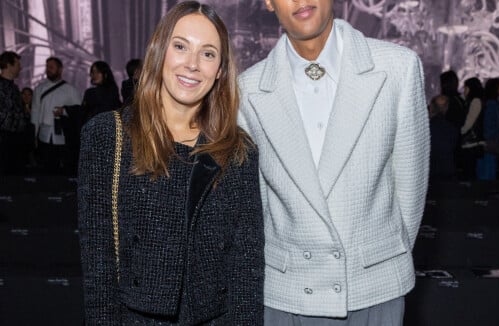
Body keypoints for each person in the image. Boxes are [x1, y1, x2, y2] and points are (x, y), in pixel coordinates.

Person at [238, 0, 429, 324]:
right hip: (289, 294)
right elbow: (255, 205)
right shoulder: (246, 89)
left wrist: (377, 262)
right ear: (269, 3)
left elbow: (411, 188)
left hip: (372, 292)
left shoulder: (398, 68)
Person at [77, 1, 264, 324]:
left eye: (208, 54)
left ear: (219, 70)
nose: (192, 64)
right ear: (160, 52)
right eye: (180, 47)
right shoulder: (108, 135)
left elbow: (245, 268)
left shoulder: (238, 151)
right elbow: (99, 267)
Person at [30, 56, 82, 175]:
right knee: (46, 167)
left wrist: (64, 111)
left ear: (60, 69)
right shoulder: (39, 89)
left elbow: (79, 111)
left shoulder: (71, 90)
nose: (48, 69)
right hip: (44, 134)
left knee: (64, 167)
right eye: (47, 67)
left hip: (64, 135)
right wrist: (33, 135)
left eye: (52, 67)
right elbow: (35, 113)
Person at [0, 51, 28, 175]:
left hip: (16, 139)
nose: (20, 67)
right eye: (17, 64)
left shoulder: (15, 88)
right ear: (8, 65)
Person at [477, 78, 499, 180]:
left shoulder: (491, 104)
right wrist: (498, 137)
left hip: (490, 145)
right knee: (487, 176)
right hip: (490, 145)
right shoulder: (491, 105)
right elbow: (489, 126)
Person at [459, 77, 485, 179]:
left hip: (471, 143)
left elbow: (469, 122)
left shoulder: (475, 101)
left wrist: (460, 131)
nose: (463, 91)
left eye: (465, 88)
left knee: (469, 172)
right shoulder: (473, 101)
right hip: (471, 143)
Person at [429, 95, 458, 180]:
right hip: (447, 171)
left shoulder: (424, 128)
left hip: (429, 172)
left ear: (431, 107)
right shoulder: (451, 128)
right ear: (446, 108)